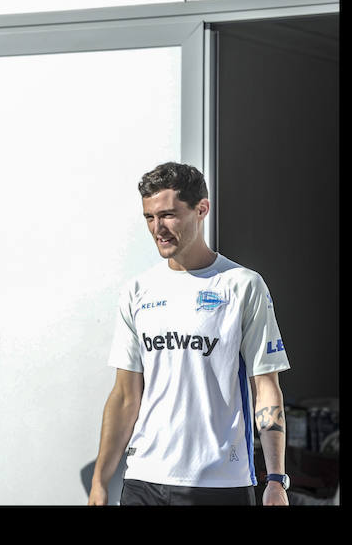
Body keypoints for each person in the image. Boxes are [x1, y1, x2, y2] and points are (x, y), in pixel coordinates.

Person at [88, 162, 291, 506]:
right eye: (149, 218)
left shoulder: (243, 285)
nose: (158, 228)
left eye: (168, 215)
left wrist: (275, 479)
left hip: (219, 482)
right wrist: (99, 482)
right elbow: (125, 396)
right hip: (143, 479)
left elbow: (266, 387)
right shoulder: (138, 290)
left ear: (202, 210)